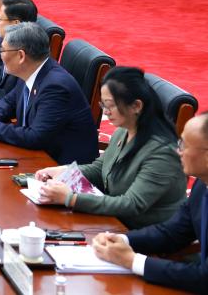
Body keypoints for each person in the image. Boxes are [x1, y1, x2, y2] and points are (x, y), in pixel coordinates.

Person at [34, 67, 186, 229]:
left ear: (136, 106)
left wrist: (70, 198)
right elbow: (100, 169)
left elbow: (132, 204)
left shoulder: (162, 152)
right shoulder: (124, 130)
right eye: (103, 105)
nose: (106, 113)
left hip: (143, 232)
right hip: (114, 220)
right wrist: (65, 171)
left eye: (110, 106)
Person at [92, 112, 208, 293]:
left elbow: (204, 278)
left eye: (184, 145)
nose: (178, 151)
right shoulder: (202, 185)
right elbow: (172, 232)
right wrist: (122, 240)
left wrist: (132, 260)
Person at [0, 22, 98, 165]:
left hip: (59, 167)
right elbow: (9, 102)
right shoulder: (32, 69)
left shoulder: (55, 86)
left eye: (2, 50)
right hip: (34, 156)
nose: (0, 55)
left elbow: (35, 137)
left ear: (21, 56)